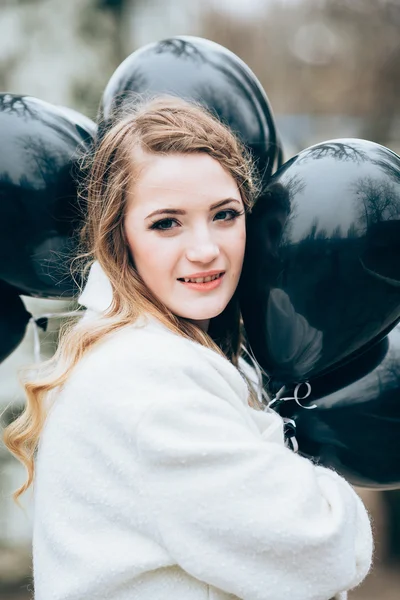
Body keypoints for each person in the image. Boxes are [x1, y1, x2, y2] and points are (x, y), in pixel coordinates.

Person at [3, 97, 373, 600]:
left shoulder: (172, 355)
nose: (205, 249)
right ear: (120, 239)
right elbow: (321, 548)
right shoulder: (144, 380)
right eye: (166, 223)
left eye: (224, 215)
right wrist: (329, 492)